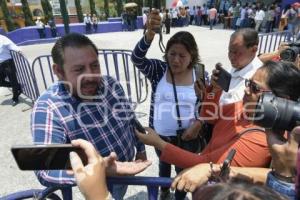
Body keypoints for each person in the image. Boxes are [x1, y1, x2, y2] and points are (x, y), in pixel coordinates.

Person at [31, 33, 147, 200]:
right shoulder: (48, 108)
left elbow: (130, 120)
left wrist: (141, 150)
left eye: (95, 66)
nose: (91, 76)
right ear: (58, 71)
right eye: (79, 69)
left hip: (128, 173)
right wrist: (98, 171)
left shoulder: (111, 84)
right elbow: (44, 169)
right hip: (97, 186)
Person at [169, 61, 300, 199]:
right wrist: (214, 90)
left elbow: (207, 161)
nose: (246, 90)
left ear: (281, 101)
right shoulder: (242, 107)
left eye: (254, 87)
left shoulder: (263, 138)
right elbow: (210, 115)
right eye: (248, 83)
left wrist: (159, 143)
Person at [131, 9, 204, 200]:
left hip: (186, 138)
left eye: (182, 55)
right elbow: (136, 59)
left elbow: (207, 104)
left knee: (182, 169)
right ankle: (163, 191)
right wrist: (149, 35)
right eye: (172, 54)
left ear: (192, 56)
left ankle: (179, 196)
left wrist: (199, 122)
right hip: (159, 134)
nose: (176, 60)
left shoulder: (200, 73)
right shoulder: (159, 70)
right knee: (163, 163)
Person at [69, 139, 152, 200]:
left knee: (120, 193)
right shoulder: (60, 119)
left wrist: (96, 195)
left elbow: (133, 123)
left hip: (124, 174)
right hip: (108, 180)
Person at [0, 34, 22, 106]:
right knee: (1, 82)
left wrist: (18, 50)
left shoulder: (3, 38)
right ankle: (17, 86)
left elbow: (11, 45)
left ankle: (15, 98)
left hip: (7, 63)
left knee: (13, 80)